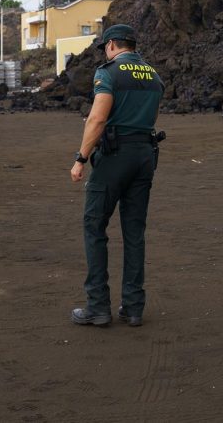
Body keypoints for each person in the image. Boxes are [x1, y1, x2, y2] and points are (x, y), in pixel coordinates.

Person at [70, 24, 165, 328]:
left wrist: (81, 158)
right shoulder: (153, 75)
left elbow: (98, 118)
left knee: (94, 226)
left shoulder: (108, 72)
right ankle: (133, 307)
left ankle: (98, 306)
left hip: (115, 157)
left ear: (111, 45)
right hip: (145, 156)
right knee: (134, 232)